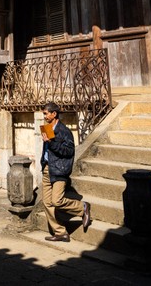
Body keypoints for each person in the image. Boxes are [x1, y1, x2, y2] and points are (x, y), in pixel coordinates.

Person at [39, 101, 91, 242]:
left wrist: (51, 142)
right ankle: (60, 232)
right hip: (47, 169)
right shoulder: (47, 128)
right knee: (47, 203)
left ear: (54, 114)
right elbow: (47, 150)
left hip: (59, 170)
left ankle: (82, 207)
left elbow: (68, 151)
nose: (44, 116)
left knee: (57, 201)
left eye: (46, 113)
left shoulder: (64, 131)